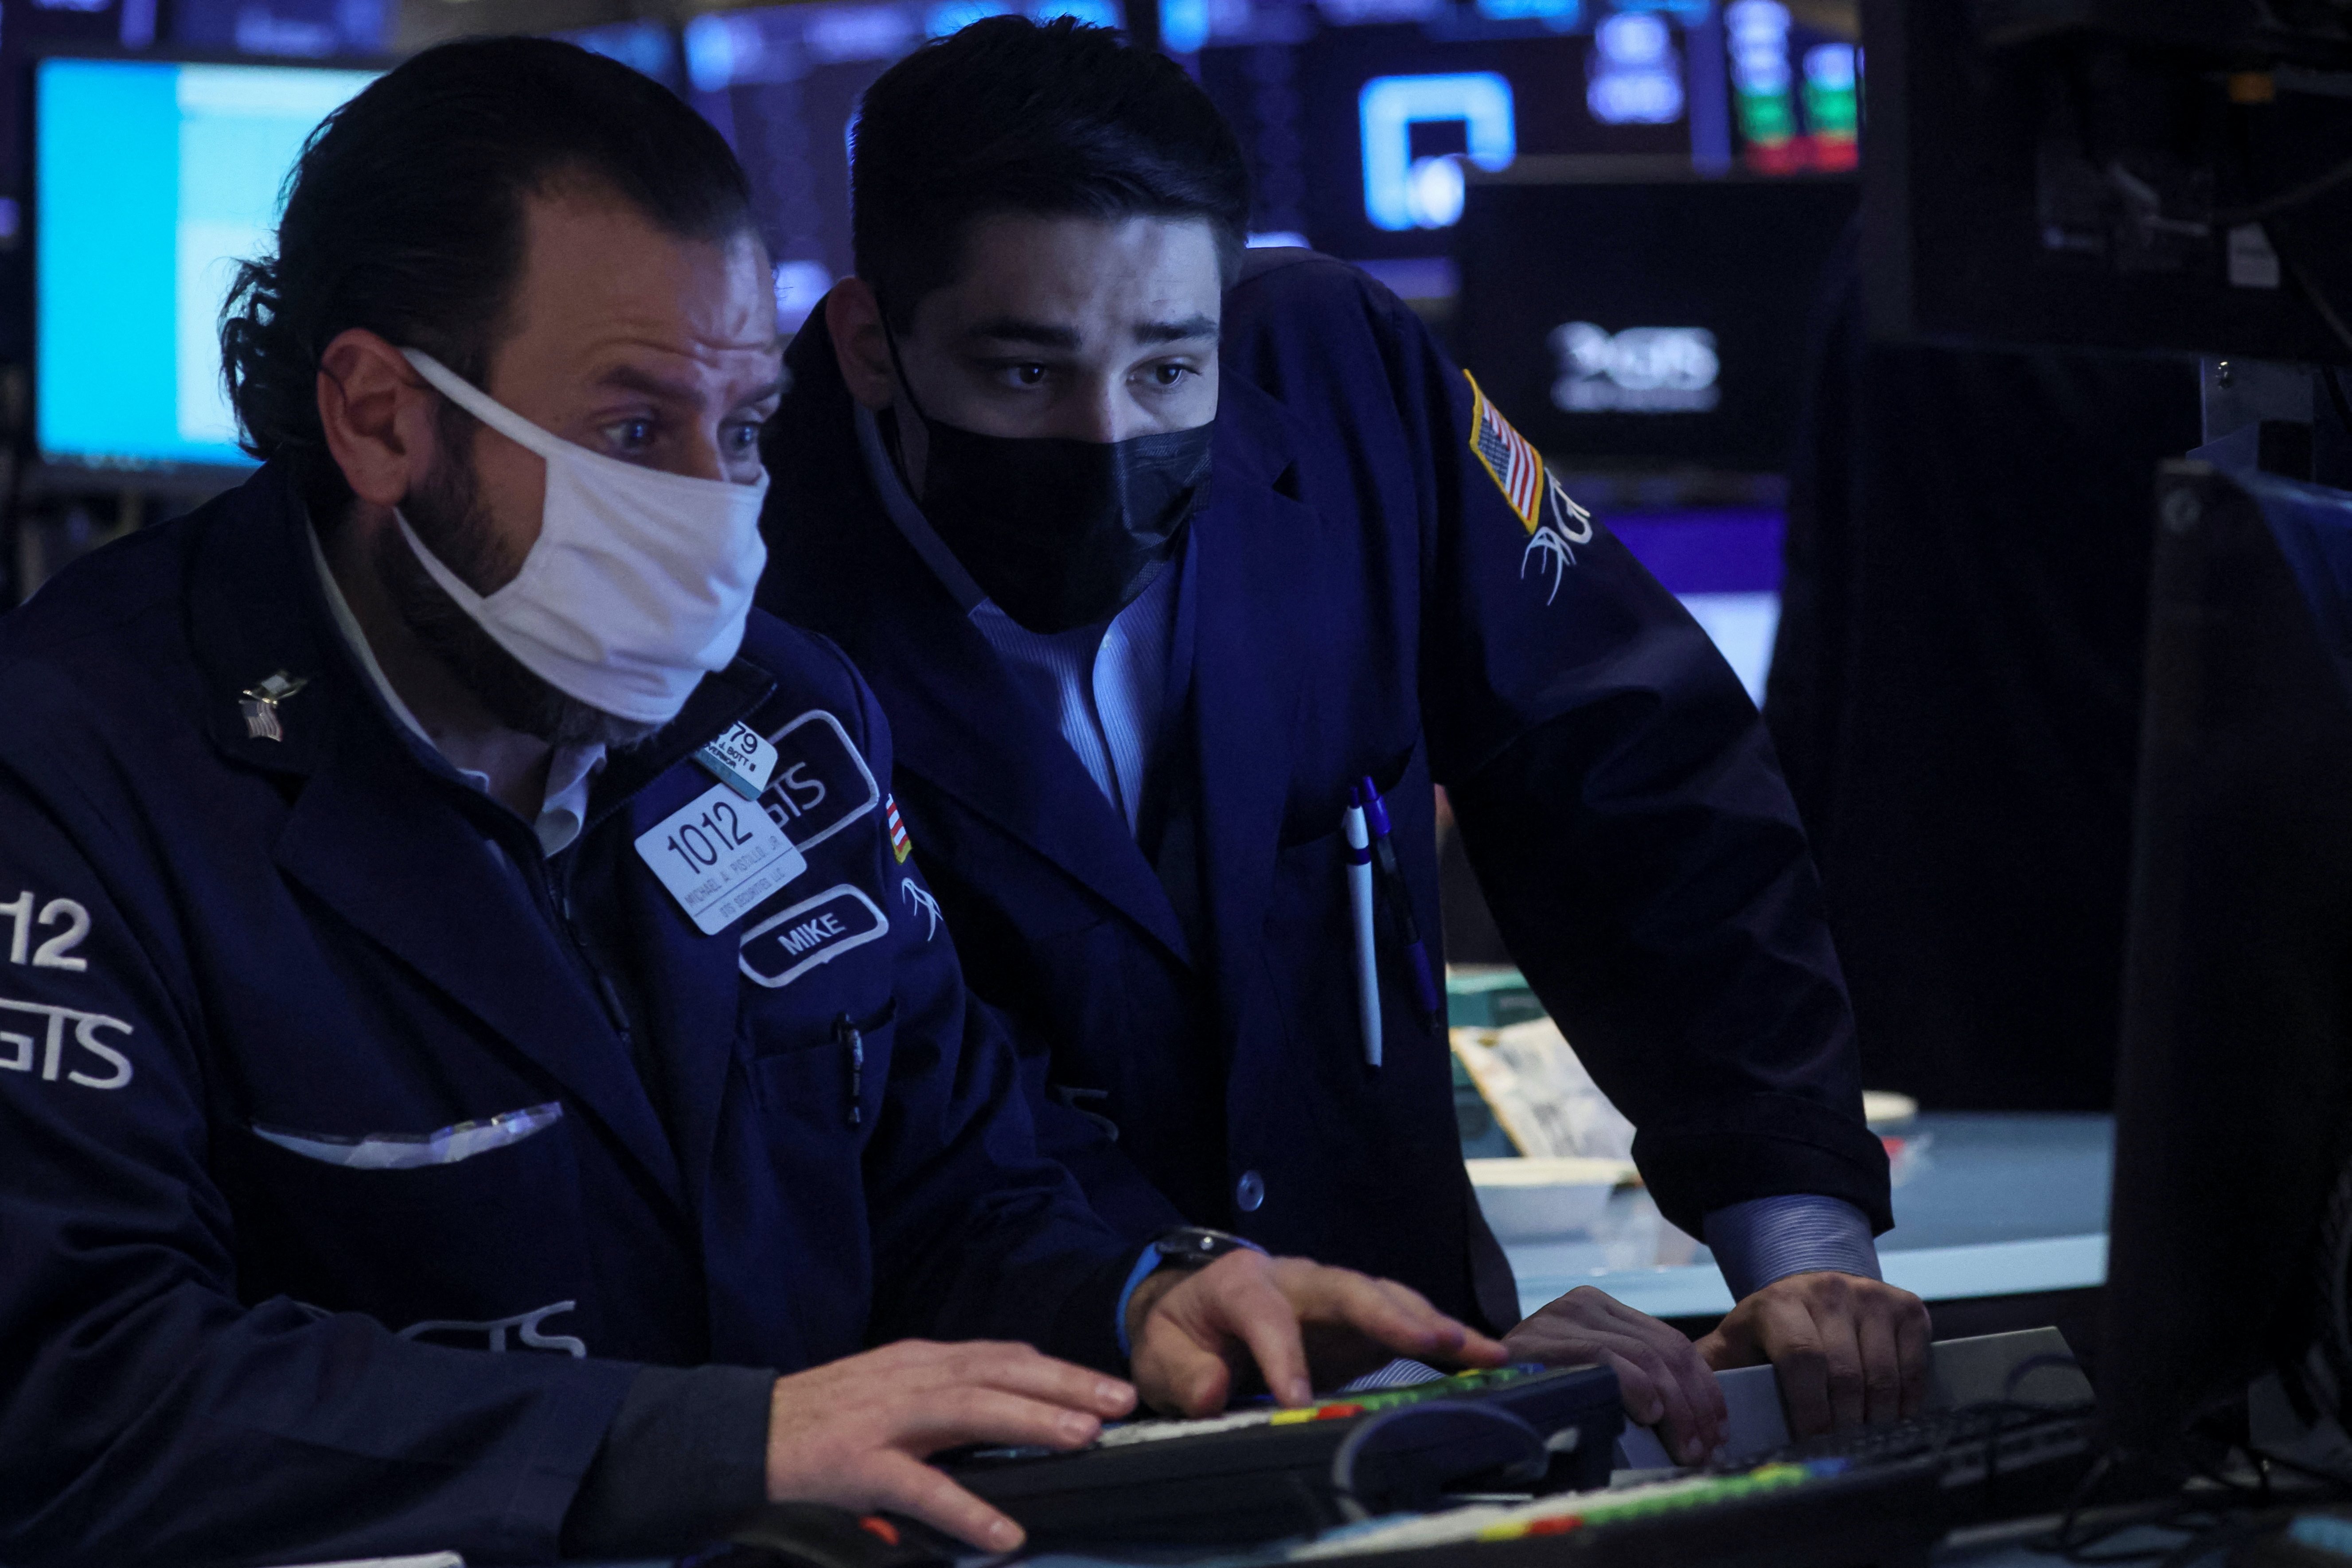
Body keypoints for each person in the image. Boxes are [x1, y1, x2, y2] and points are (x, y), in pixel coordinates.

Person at [0, 39, 1508, 1568]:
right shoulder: (75, 768)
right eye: (636, 430)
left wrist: (1138, 1287)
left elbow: (949, 1174)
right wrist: (709, 1445)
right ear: (383, 416)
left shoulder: (778, 712)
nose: (713, 516)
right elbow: (74, 1388)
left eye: (740, 430)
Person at [757, 17, 1931, 1467]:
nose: (1109, 434)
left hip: (1423, 1406)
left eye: (1168, 369)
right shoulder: (738, 569)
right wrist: (1272, 1343)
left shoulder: (1336, 369)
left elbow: (1639, 791)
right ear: (873, 342)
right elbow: (891, 1113)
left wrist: (1794, 1231)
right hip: (1011, 1463)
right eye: (1023, 374)